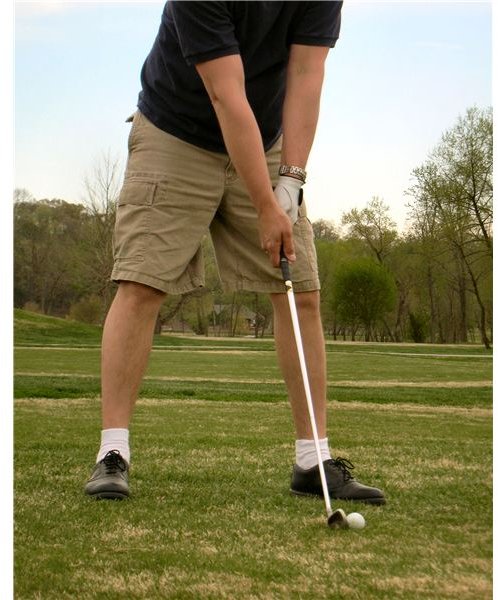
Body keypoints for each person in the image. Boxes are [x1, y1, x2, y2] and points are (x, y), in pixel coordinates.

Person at [85, 0, 385, 506]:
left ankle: (314, 459)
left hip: (265, 137)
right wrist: (267, 205)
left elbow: (307, 73)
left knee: (301, 291)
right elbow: (226, 96)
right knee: (141, 283)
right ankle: (112, 454)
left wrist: (290, 180)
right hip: (175, 134)